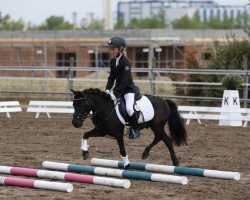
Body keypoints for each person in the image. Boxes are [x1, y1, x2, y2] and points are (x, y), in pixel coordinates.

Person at [105, 36, 140, 139]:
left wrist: (115, 94)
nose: (111, 51)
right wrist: (107, 90)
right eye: (110, 49)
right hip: (118, 90)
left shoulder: (125, 62)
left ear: (120, 49)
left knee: (129, 109)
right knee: (109, 108)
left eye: (113, 49)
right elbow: (111, 78)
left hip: (128, 90)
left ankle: (135, 129)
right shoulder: (112, 61)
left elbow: (124, 81)